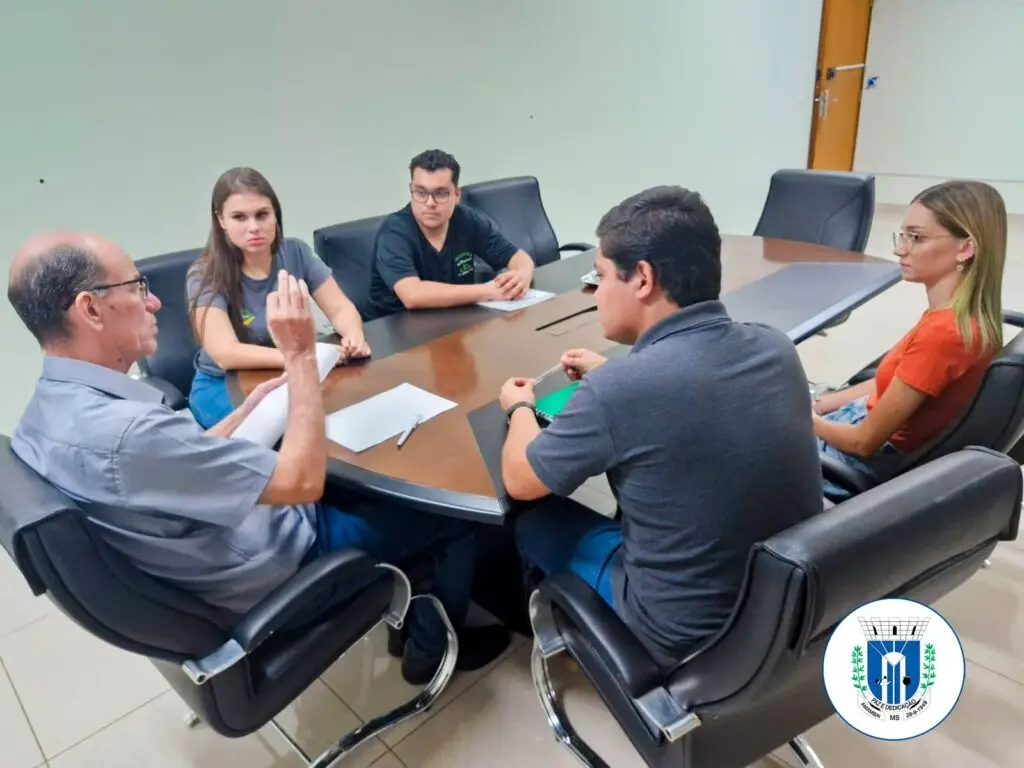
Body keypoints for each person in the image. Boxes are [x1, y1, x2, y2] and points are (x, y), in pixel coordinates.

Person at [7, 232, 509, 685]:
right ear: (90, 310)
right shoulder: (127, 435)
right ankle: (430, 650)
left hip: (220, 542)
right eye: (136, 288)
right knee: (446, 512)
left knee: (361, 467)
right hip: (286, 567)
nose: (154, 302)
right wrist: (301, 358)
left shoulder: (47, 413)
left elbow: (173, 462)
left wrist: (245, 412)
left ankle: (412, 614)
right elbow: (303, 482)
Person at [497, 186, 823, 669]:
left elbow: (522, 481)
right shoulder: (774, 348)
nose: (598, 292)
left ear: (643, 279)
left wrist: (519, 408)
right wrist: (612, 379)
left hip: (682, 631)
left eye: (602, 276)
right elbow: (691, 396)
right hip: (783, 605)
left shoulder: (622, 390)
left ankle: (565, 627)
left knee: (531, 521)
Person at [813, 180, 1007, 499]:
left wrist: (799, 418)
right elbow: (894, 384)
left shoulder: (944, 335)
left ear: (965, 248)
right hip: (855, 427)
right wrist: (821, 404)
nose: (899, 249)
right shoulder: (959, 316)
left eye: (916, 238)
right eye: (903, 235)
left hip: (850, 463)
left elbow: (863, 443)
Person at [187, 167, 371, 428]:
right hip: (224, 383)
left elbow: (340, 308)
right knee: (277, 437)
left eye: (262, 215)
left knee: (345, 417)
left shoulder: (295, 251)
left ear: (276, 214)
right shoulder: (203, 274)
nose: (254, 227)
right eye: (239, 217)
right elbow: (225, 353)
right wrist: (304, 358)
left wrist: (354, 335)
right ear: (221, 220)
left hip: (289, 372)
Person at [368, 149, 536, 318]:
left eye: (440, 194)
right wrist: (489, 291)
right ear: (411, 190)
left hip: (453, 319)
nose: (429, 203)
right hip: (397, 328)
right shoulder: (394, 232)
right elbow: (412, 295)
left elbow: (517, 257)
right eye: (421, 193)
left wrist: (522, 275)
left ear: (456, 195)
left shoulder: (465, 219)